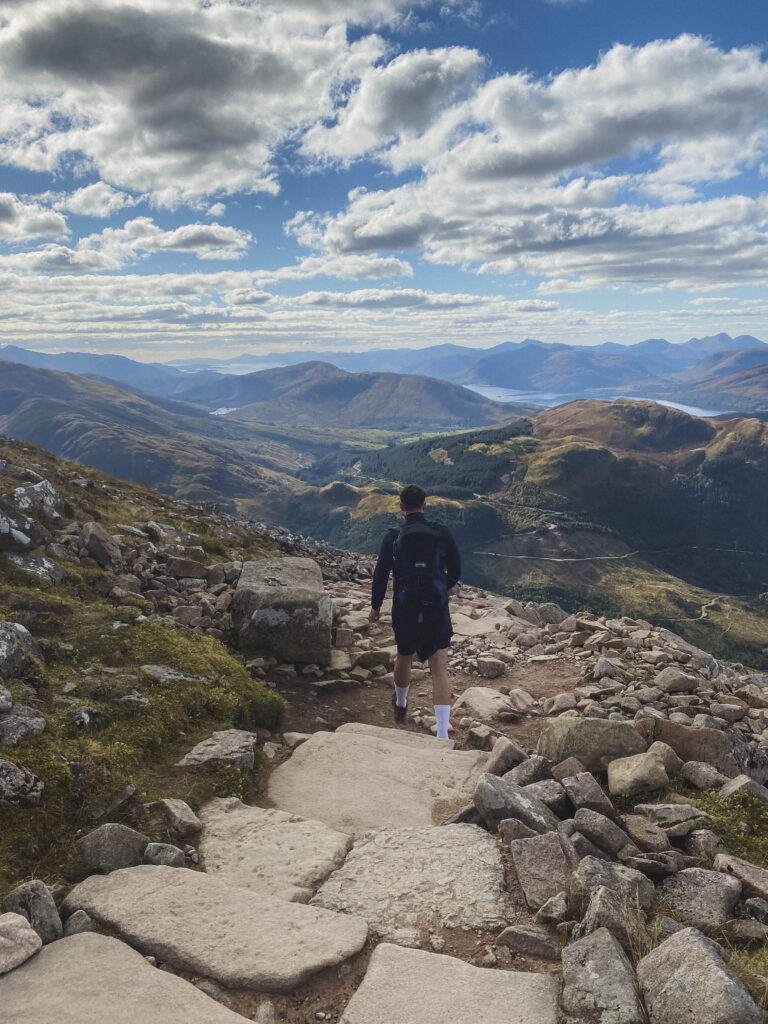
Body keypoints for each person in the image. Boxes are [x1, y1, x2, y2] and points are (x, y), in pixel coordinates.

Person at [368, 484, 461, 740]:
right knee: (439, 667)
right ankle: (442, 734)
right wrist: (441, 588)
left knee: (404, 655)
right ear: (424, 506)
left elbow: (381, 574)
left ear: (401, 507)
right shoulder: (441, 533)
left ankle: (400, 704)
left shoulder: (393, 536)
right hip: (436, 606)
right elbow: (456, 569)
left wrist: (376, 606)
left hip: (405, 605)